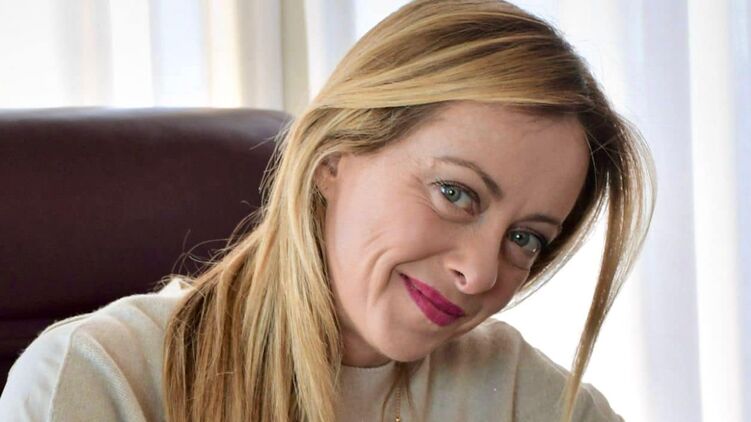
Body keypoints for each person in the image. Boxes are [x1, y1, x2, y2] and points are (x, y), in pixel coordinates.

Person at [0, 0, 654, 421]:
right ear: (332, 156)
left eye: (525, 238)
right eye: (455, 193)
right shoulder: (100, 379)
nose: (481, 274)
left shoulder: (522, 396)